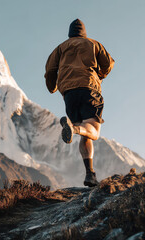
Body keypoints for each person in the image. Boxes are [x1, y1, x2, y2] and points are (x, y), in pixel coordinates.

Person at [45, 19, 115, 187]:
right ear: (84, 32)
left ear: (70, 33)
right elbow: (109, 63)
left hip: (69, 94)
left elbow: (50, 72)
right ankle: (74, 128)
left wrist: (53, 87)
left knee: (86, 134)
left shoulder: (60, 48)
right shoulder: (93, 44)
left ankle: (90, 174)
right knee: (93, 132)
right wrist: (100, 75)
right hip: (89, 88)